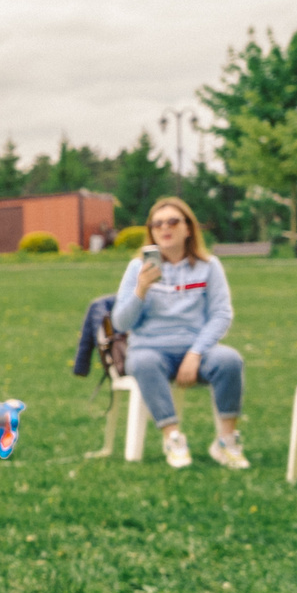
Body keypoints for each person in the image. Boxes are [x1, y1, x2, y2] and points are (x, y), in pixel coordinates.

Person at [112, 196, 246, 470]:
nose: (165, 228)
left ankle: (226, 441)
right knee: (143, 362)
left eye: (173, 221)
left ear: (188, 228)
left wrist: (195, 353)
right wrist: (141, 290)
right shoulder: (138, 268)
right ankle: (172, 438)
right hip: (150, 348)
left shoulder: (209, 266)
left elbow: (221, 314)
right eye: (157, 224)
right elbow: (121, 323)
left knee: (230, 360)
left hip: (196, 349)